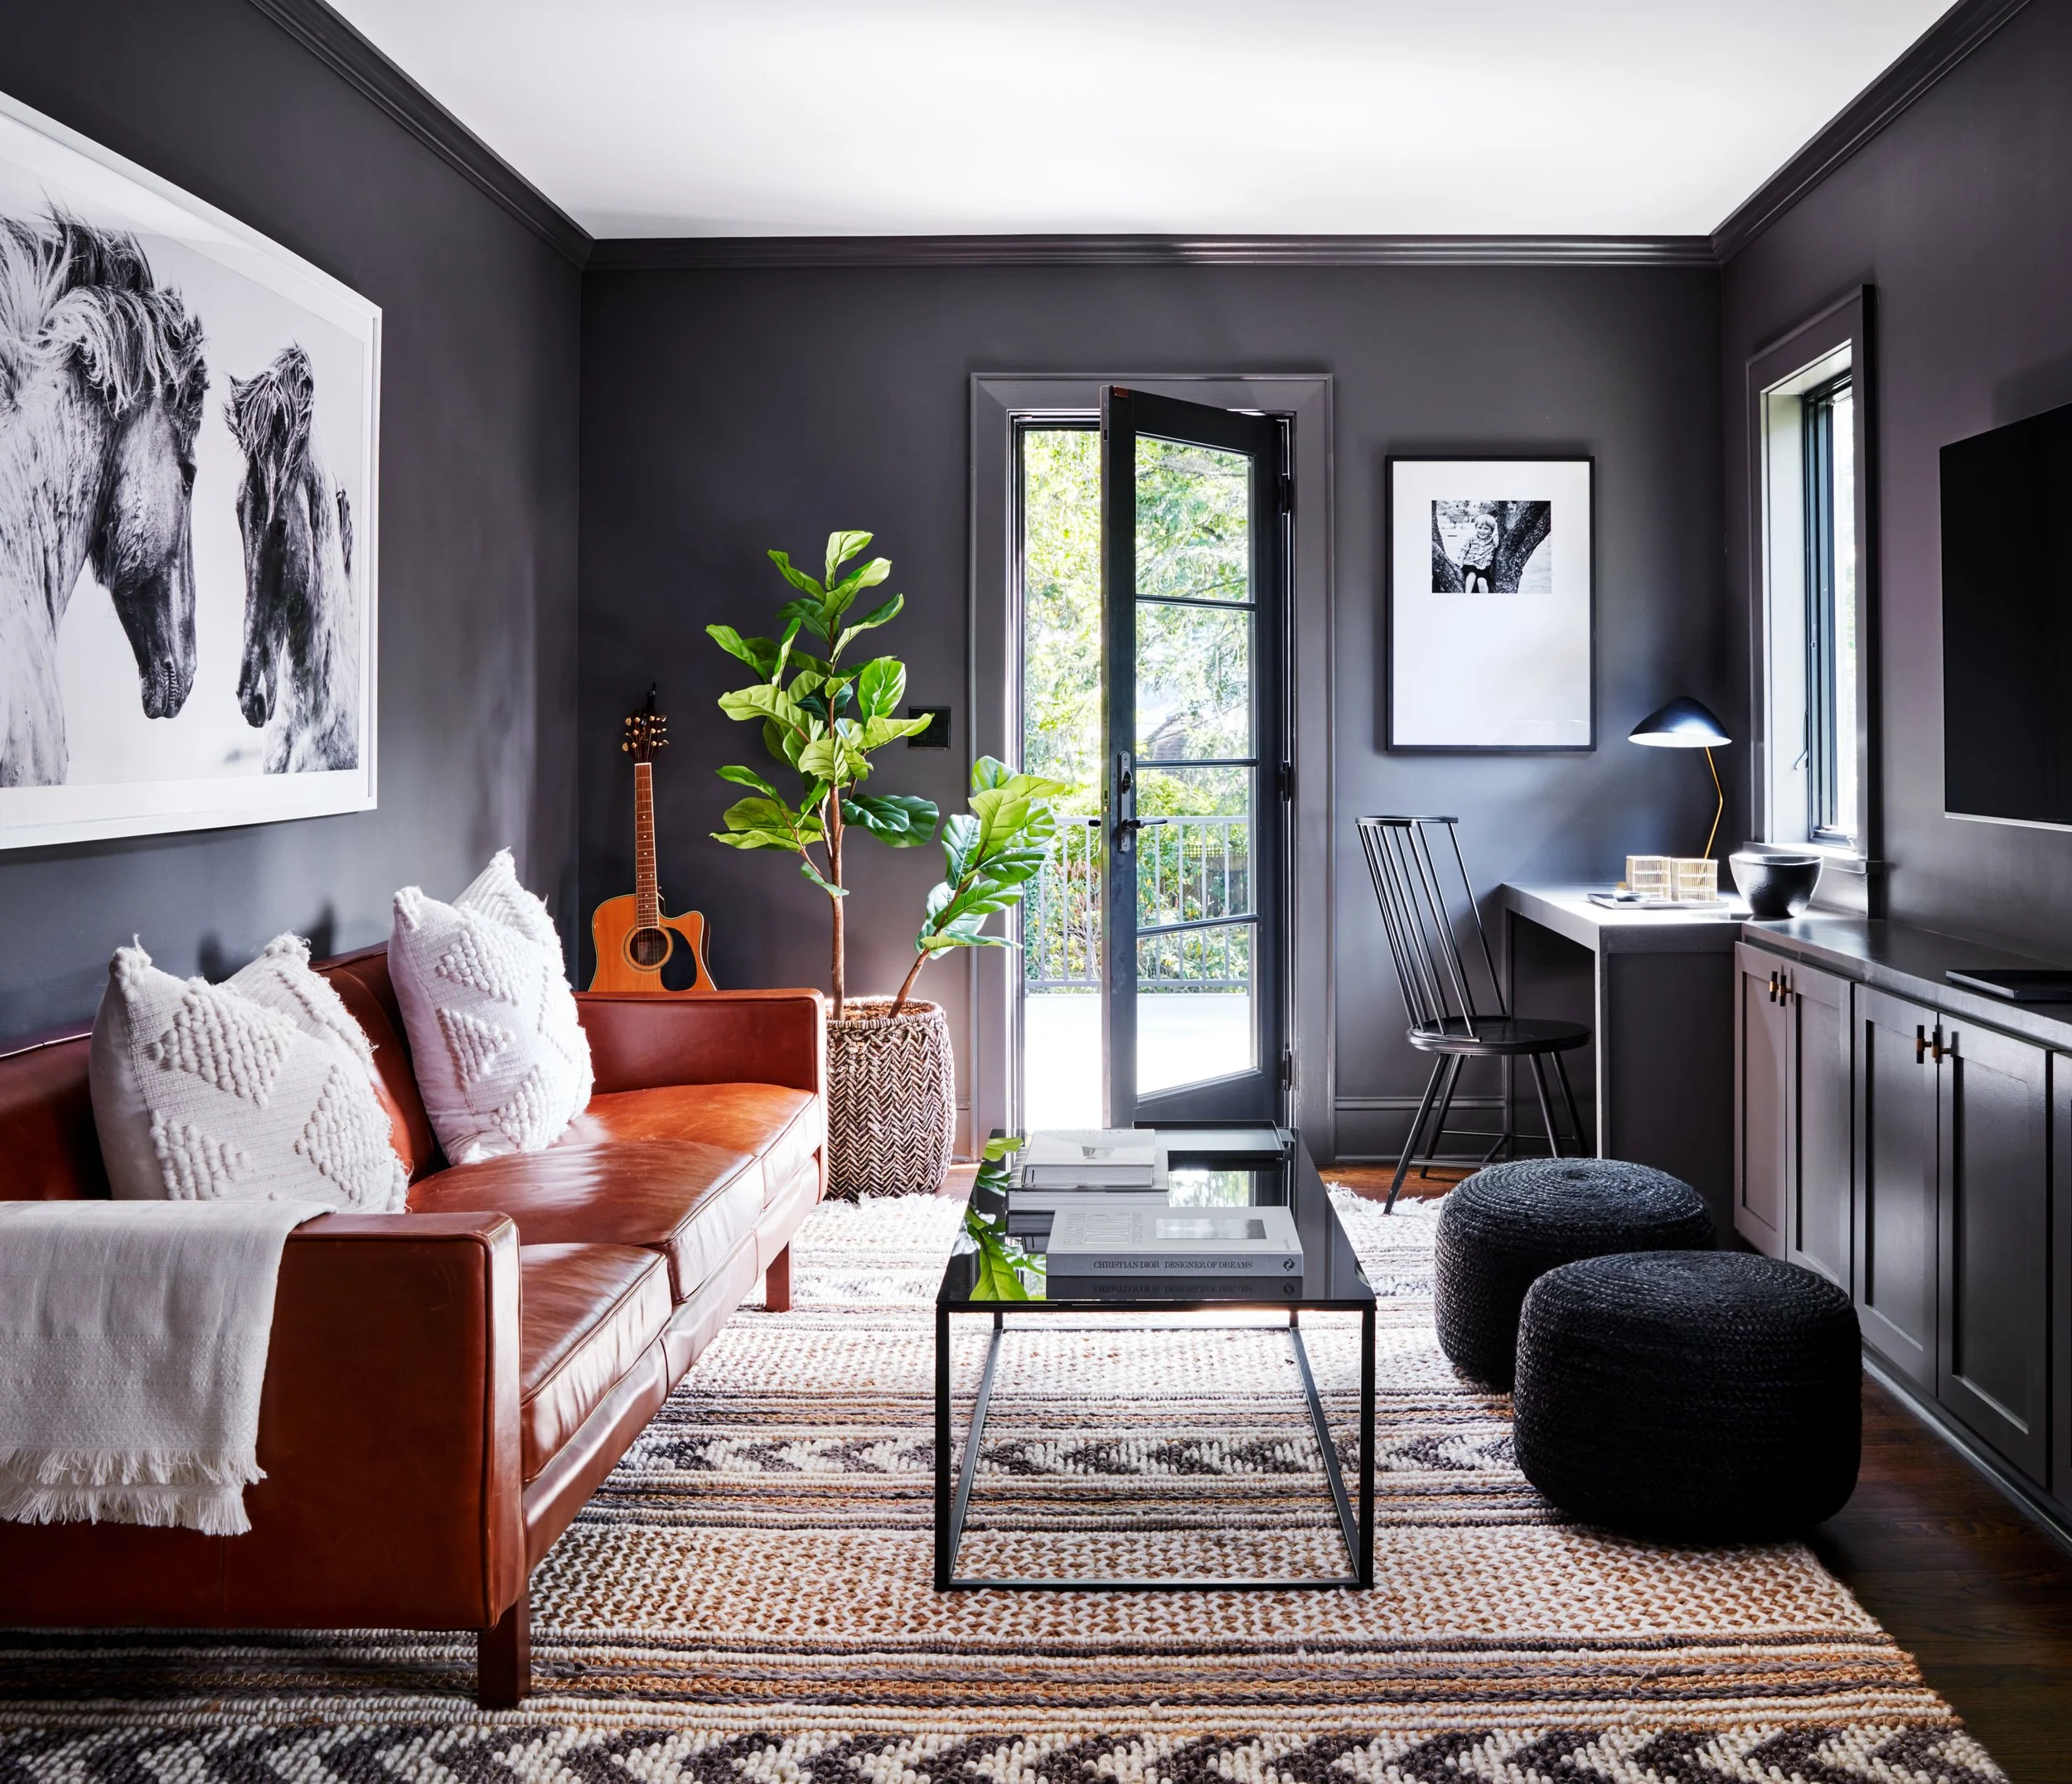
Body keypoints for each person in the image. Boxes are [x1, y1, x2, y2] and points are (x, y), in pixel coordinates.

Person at [1460, 511, 1499, 592]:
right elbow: (1463, 550)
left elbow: (1498, 527)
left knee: (1482, 581)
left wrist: (1496, 535)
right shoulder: (1471, 538)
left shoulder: (1492, 540)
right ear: (1476, 527)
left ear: (1491, 530)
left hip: (1483, 568)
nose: (1482, 531)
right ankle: (1467, 594)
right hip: (1470, 565)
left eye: (1486, 529)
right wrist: (1460, 562)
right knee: (1472, 573)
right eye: (1480, 528)